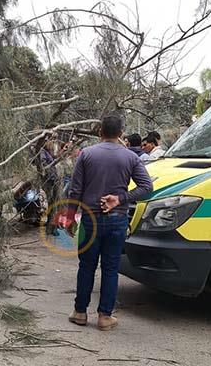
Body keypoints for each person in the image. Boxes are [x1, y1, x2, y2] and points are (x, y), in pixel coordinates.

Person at [62, 115, 152, 331]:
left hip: (89, 221)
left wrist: (69, 218)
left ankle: (80, 312)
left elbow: (75, 189)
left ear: (100, 132)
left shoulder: (87, 155)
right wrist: (120, 199)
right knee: (111, 269)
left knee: (86, 267)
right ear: (121, 134)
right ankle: (104, 317)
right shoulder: (130, 157)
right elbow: (147, 187)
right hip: (117, 220)